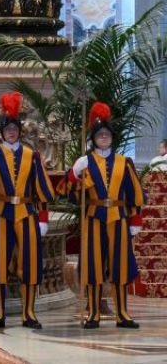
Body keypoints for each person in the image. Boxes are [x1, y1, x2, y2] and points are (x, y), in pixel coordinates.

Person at [0, 92, 55, 329]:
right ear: (2, 132)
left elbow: (42, 190)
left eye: (14, 129)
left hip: (27, 212)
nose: (11, 132)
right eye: (7, 129)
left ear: (20, 131)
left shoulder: (32, 156)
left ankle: (29, 313)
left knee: (30, 263)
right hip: (2, 212)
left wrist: (43, 217)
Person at [60, 102, 144, 329]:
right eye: (100, 134)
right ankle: (94, 313)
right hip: (94, 218)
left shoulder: (123, 162)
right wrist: (75, 174)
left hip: (118, 218)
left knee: (120, 266)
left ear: (112, 137)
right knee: (94, 266)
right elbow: (68, 192)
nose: (104, 137)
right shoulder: (85, 162)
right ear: (94, 138)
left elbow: (135, 193)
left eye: (107, 134)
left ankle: (123, 314)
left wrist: (135, 221)